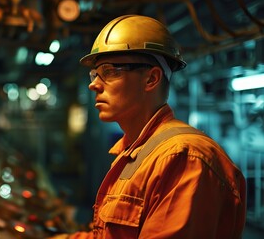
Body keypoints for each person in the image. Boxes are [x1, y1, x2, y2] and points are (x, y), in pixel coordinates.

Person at [49, 15, 246, 239]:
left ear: (151, 79)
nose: (94, 84)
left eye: (110, 71)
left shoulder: (184, 159)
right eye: (95, 74)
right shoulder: (136, 152)